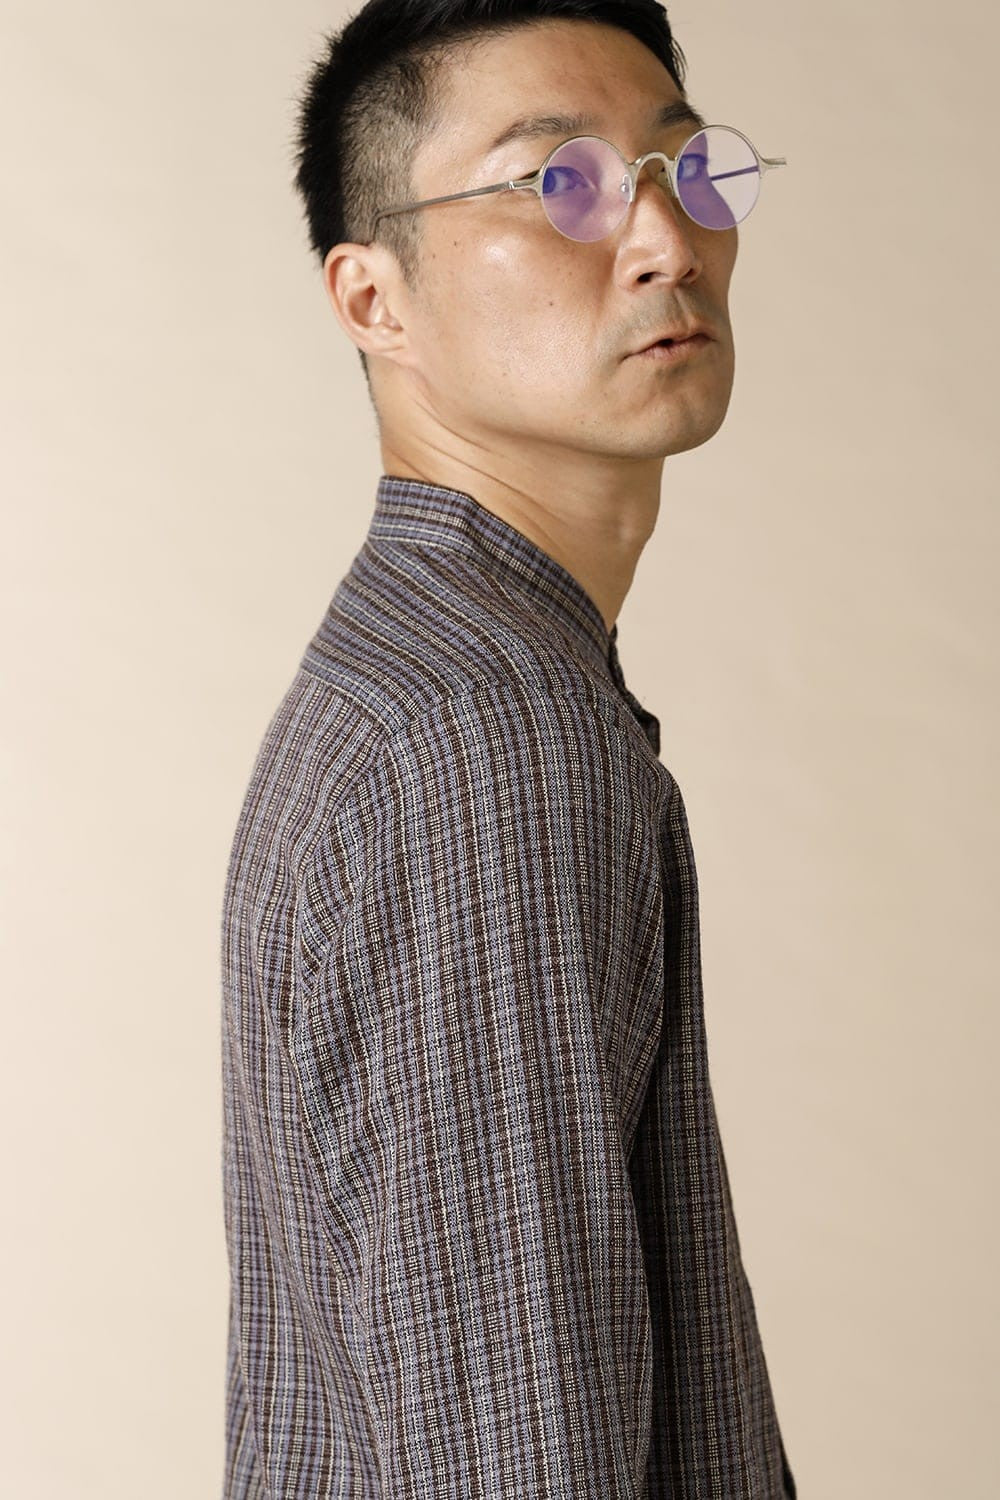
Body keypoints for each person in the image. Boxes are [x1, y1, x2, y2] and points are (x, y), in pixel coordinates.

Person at [219, 1, 796, 1496]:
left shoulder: (429, 674)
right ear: (374, 300)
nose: (665, 240)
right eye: (562, 185)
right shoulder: (489, 742)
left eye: (683, 169)